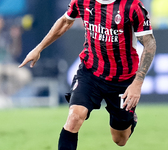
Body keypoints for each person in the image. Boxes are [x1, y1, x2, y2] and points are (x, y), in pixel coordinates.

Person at [19, 0, 156, 149]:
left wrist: (137, 83)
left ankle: (131, 121)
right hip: (90, 72)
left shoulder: (132, 6)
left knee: (119, 140)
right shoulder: (82, 1)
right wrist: (38, 48)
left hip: (122, 79)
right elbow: (65, 21)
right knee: (74, 117)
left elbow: (149, 44)